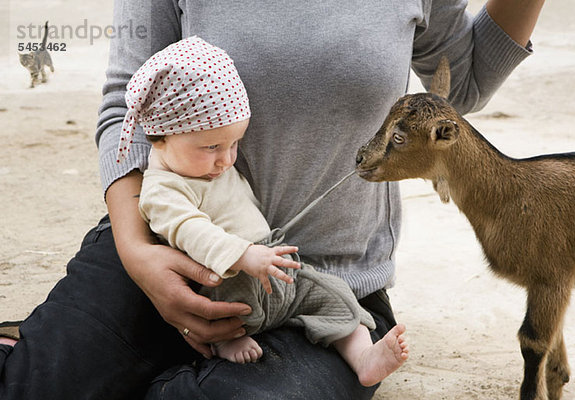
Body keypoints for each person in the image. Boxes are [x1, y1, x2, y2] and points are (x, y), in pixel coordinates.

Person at [0, 0, 545, 399]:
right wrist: (136, 252)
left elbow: (463, 85)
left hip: (319, 286)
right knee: (36, 385)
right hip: (155, 252)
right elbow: (127, 104)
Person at [130, 36, 409, 380]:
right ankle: (228, 339)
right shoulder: (162, 189)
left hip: (274, 267)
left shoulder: (205, 162)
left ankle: (363, 356)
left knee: (334, 293)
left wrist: (261, 253)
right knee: (222, 300)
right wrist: (243, 255)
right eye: (212, 146)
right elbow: (191, 230)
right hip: (232, 277)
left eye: (234, 144)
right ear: (159, 136)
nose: (226, 159)